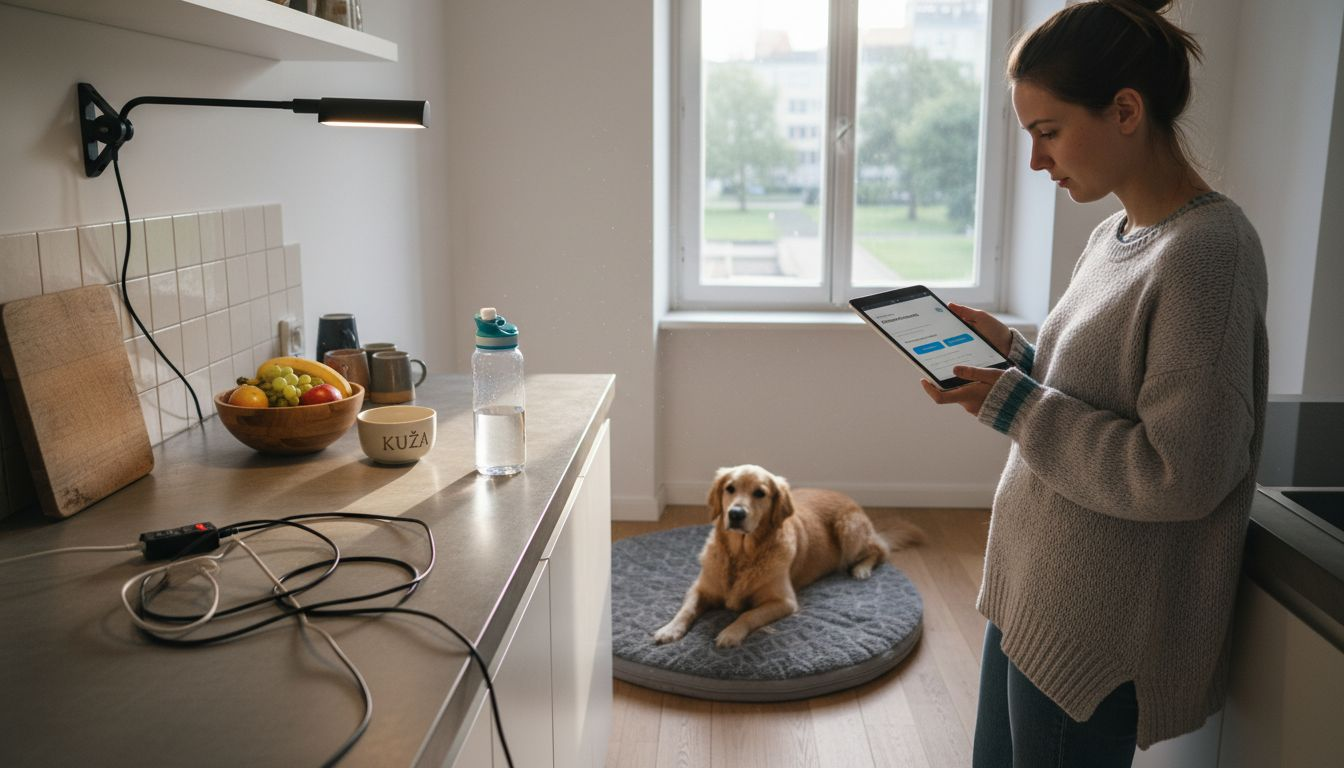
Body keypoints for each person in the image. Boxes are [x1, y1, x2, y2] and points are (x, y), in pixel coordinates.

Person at [921, 1, 1269, 766]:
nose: (1039, 161)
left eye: (1049, 132)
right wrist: (1014, 351)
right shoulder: (1115, 235)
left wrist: (1013, 403)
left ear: (1125, 111)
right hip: (1030, 596)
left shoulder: (1208, 256)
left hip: (1091, 635)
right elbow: (1101, 379)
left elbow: (1181, 472)